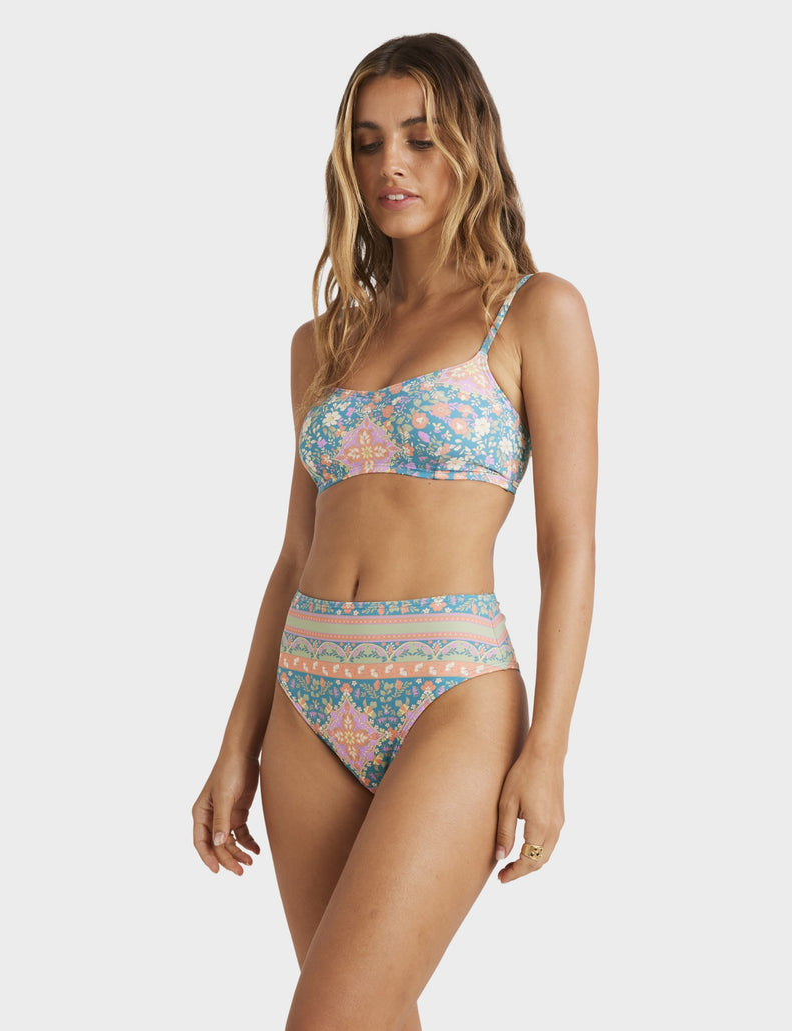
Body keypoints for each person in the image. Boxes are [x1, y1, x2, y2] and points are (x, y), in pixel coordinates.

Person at [192, 31, 598, 1031]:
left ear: (470, 144)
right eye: (368, 142)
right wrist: (236, 740)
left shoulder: (535, 312)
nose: (392, 165)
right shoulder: (321, 342)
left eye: (419, 137)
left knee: (329, 1014)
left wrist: (548, 748)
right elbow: (295, 553)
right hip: (306, 695)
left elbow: (567, 545)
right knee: (367, 1017)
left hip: (451, 691)